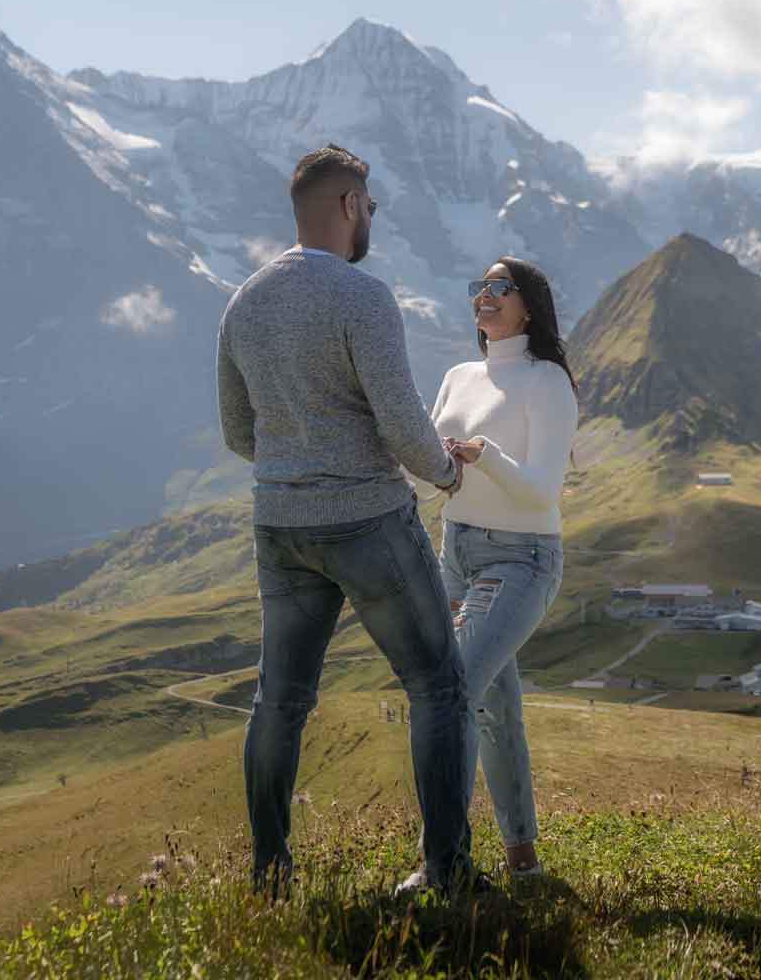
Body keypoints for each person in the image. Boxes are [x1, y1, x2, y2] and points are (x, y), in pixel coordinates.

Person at [216, 143, 477, 895]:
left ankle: (270, 875)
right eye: (371, 207)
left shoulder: (245, 303)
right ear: (350, 206)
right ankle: (446, 873)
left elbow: (239, 433)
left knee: (280, 701)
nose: (371, 219)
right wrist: (448, 471)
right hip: (367, 519)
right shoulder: (363, 298)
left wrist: (295, 453)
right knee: (437, 686)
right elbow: (400, 422)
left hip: (280, 524)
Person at [424, 256, 579, 881]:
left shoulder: (548, 382)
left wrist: (484, 456)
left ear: (528, 306)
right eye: (478, 288)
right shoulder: (459, 375)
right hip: (454, 552)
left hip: (521, 558)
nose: (483, 297)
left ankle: (443, 864)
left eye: (499, 287)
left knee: (453, 692)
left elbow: (542, 491)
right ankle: (524, 862)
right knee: (492, 708)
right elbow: (424, 469)